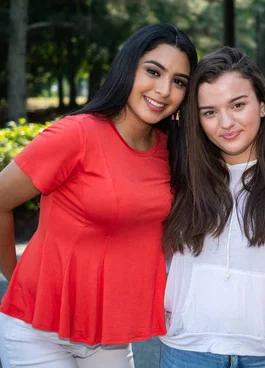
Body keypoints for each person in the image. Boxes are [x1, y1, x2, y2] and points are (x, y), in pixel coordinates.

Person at [0, 23, 197, 368]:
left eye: (179, 81)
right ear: (128, 67)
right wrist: (12, 273)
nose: (164, 90)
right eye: (153, 71)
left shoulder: (174, 151)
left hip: (109, 336)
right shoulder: (75, 134)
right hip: (35, 330)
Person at [159, 47, 265, 367]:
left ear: (262, 105)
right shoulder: (177, 179)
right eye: (209, 112)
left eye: (238, 105)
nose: (226, 123)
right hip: (188, 353)